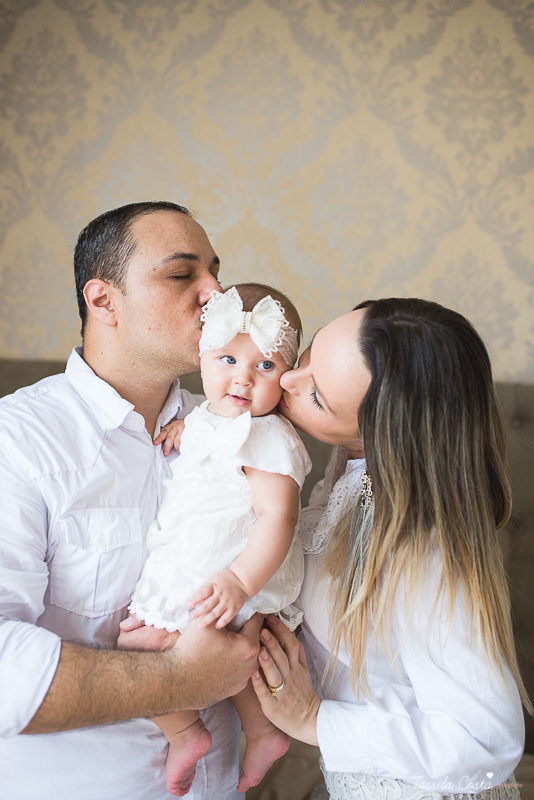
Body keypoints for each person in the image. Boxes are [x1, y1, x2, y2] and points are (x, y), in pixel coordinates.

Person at [0, 201, 262, 800]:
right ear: (102, 300)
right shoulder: (16, 444)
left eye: (216, 274)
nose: (217, 293)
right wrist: (178, 679)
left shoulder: (233, 435)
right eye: (182, 275)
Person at [250, 298, 528, 799]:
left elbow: (487, 739)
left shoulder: (423, 554)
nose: (288, 379)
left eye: (317, 397)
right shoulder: (353, 478)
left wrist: (317, 720)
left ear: (381, 437)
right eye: (311, 353)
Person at [124, 283, 311, 796]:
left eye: (265, 367)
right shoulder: (203, 417)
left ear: (286, 378)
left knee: (139, 647)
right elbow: (210, 445)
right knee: (211, 652)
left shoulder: (269, 435)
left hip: (231, 570)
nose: (243, 379)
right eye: (228, 358)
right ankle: (259, 731)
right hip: (192, 559)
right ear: (202, 355)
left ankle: (196, 735)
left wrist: (238, 580)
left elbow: (279, 518)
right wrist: (188, 430)